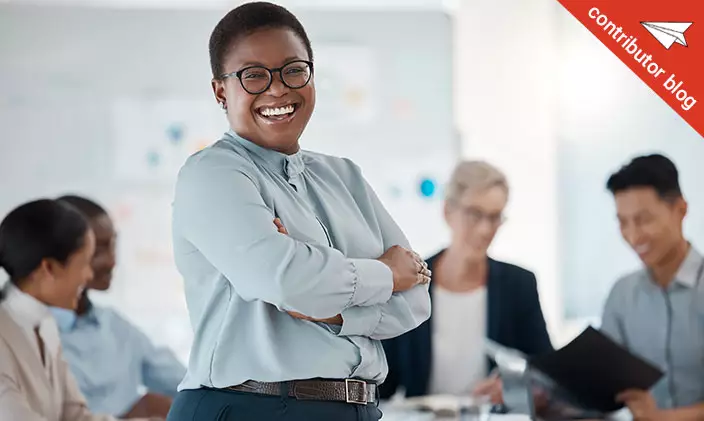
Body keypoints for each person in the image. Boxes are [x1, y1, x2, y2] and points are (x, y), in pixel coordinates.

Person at [166, 2, 431, 421]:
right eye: (253, 75)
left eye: (293, 69)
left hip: (356, 409)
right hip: (251, 408)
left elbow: (416, 301)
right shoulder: (212, 174)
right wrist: (386, 274)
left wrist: (330, 305)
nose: (277, 90)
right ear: (221, 91)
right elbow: (288, 281)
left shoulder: (344, 176)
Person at [380, 160, 553, 403]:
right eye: (475, 214)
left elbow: (547, 376)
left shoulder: (518, 285)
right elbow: (382, 382)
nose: (485, 229)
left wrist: (515, 387)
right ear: (448, 211)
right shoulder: (409, 282)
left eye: (494, 217)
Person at [0, 199, 154, 421]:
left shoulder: (45, 324)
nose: (88, 275)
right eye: (83, 264)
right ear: (49, 268)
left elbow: (74, 414)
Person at [48, 195, 186, 419]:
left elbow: (183, 382)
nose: (112, 260)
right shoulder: (22, 333)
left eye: (113, 245)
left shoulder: (114, 326)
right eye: (98, 249)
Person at [601, 154, 704, 421]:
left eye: (644, 219)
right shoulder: (622, 295)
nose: (633, 236)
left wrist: (661, 419)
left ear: (680, 210)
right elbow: (604, 385)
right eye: (623, 222)